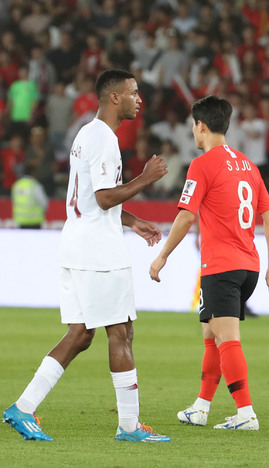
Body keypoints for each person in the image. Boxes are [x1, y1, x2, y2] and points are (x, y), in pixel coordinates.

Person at [2, 69, 171, 442]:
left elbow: (92, 200)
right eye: (133, 92)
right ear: (114, 98)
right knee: (121, 331)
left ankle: (23, 408)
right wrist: (146, 178)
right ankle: (129, 427)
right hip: (99, 251)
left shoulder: (86, 133)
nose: (138, 98)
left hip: (77, 242)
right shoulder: (105, 140)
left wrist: (131, 221)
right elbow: (103, 197)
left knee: (79, 334)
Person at [149, 94, 269, 431]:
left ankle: (246, 413)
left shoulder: (202, 164)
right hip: (248, 265)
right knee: (212, 333)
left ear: (202, 126)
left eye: (193, 126)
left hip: (221, 266)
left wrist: (162, 255)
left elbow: (185, 217)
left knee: (227, 339)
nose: (193, 132)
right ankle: (201, 407)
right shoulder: (248, 165)